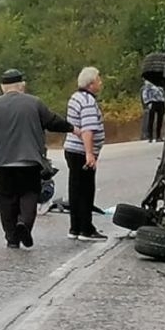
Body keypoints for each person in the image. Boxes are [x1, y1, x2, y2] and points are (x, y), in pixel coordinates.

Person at [0, 69, 79, 249]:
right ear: (22, 85)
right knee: (29, 196)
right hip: (30, 161)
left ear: (2, 87)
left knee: (6, 200)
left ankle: (12, 239)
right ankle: (24, 224)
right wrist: (72, 128)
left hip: (3, 162)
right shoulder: (35, 103)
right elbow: (52, 121)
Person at [64, 66, 107, 242]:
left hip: (71, 150)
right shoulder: (88, 102)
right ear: (90, 84)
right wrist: (90, 154)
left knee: (75, 190)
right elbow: (88, 130)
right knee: (86, 191)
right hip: (82, 151)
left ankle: (75, 227)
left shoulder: (76, 97)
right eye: (98, 79)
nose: (100, 82)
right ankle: (86, 229)